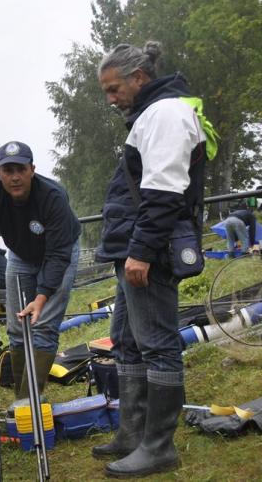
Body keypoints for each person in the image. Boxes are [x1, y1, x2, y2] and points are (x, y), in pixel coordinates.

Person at [93, 42, 207, 478]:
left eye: (114, 87)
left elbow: (164, 191)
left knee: (158, 345)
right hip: (130, 251)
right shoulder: (149, 115)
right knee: (126, 341)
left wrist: (140, 252)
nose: (111, 98)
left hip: (149, 253)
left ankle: (159, 447)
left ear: (139, 78)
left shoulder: (166, 114)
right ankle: (132, 434)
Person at [0, 141, 81, 400]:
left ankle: (29, 403)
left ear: (32, 169)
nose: (15, 177)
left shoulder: (53, 196)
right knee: (16, 326)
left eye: (20, 169)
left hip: (60, 252)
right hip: (19, 254)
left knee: (44, 325)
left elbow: (58, 254)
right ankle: (21, 400)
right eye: (8, 170)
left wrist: (41, 298)